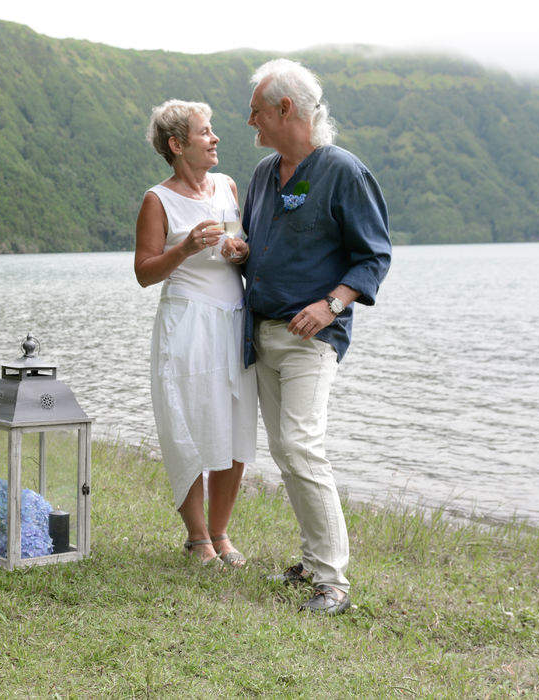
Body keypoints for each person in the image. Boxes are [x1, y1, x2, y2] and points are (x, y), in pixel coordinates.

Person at [237, 59, 391, 613]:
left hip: (312, 338)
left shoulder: (343, 171)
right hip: (263, 333)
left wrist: (332, 305)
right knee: (283, 450)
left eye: (256, 110)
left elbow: (374, 256)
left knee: (302, 445)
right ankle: (311, 561)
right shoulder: (261, 175)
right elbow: (257, 244)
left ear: (286, 109)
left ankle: (333, 582)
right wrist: (239, 250)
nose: (249, 120)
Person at [135, 99, 257, 568]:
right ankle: (197, 536)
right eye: (206, 132)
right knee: (187, 420)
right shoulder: (157, 199)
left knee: (235, 421)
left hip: (234, 317)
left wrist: (239, 251)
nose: (215, 138)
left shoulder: (226, 186)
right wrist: (184, 248)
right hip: (187, 323)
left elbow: (238, 248)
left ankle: (222, 533)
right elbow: (145, 272)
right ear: (177, 145)